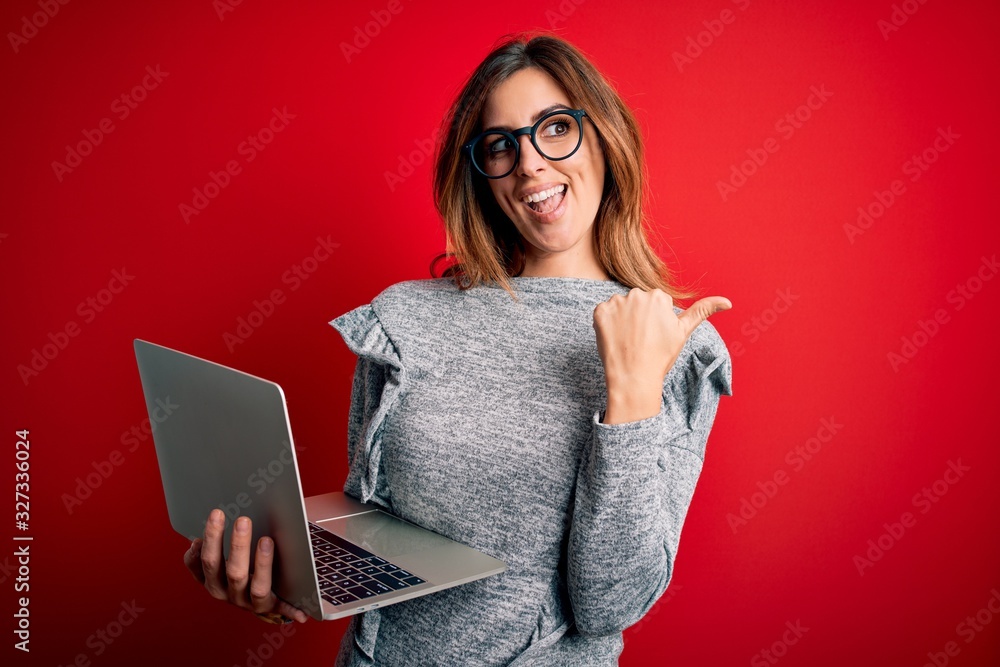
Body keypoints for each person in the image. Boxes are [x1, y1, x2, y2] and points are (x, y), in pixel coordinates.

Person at [183, 32, 733, 666]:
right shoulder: (403, 320)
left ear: (605, 137)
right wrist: (278, 570)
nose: (528, 164)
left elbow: (610, 604)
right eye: (501, 146)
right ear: (483, 174)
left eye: (555, 128)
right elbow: (376, 521)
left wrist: (632, 397)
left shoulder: (674, 341)